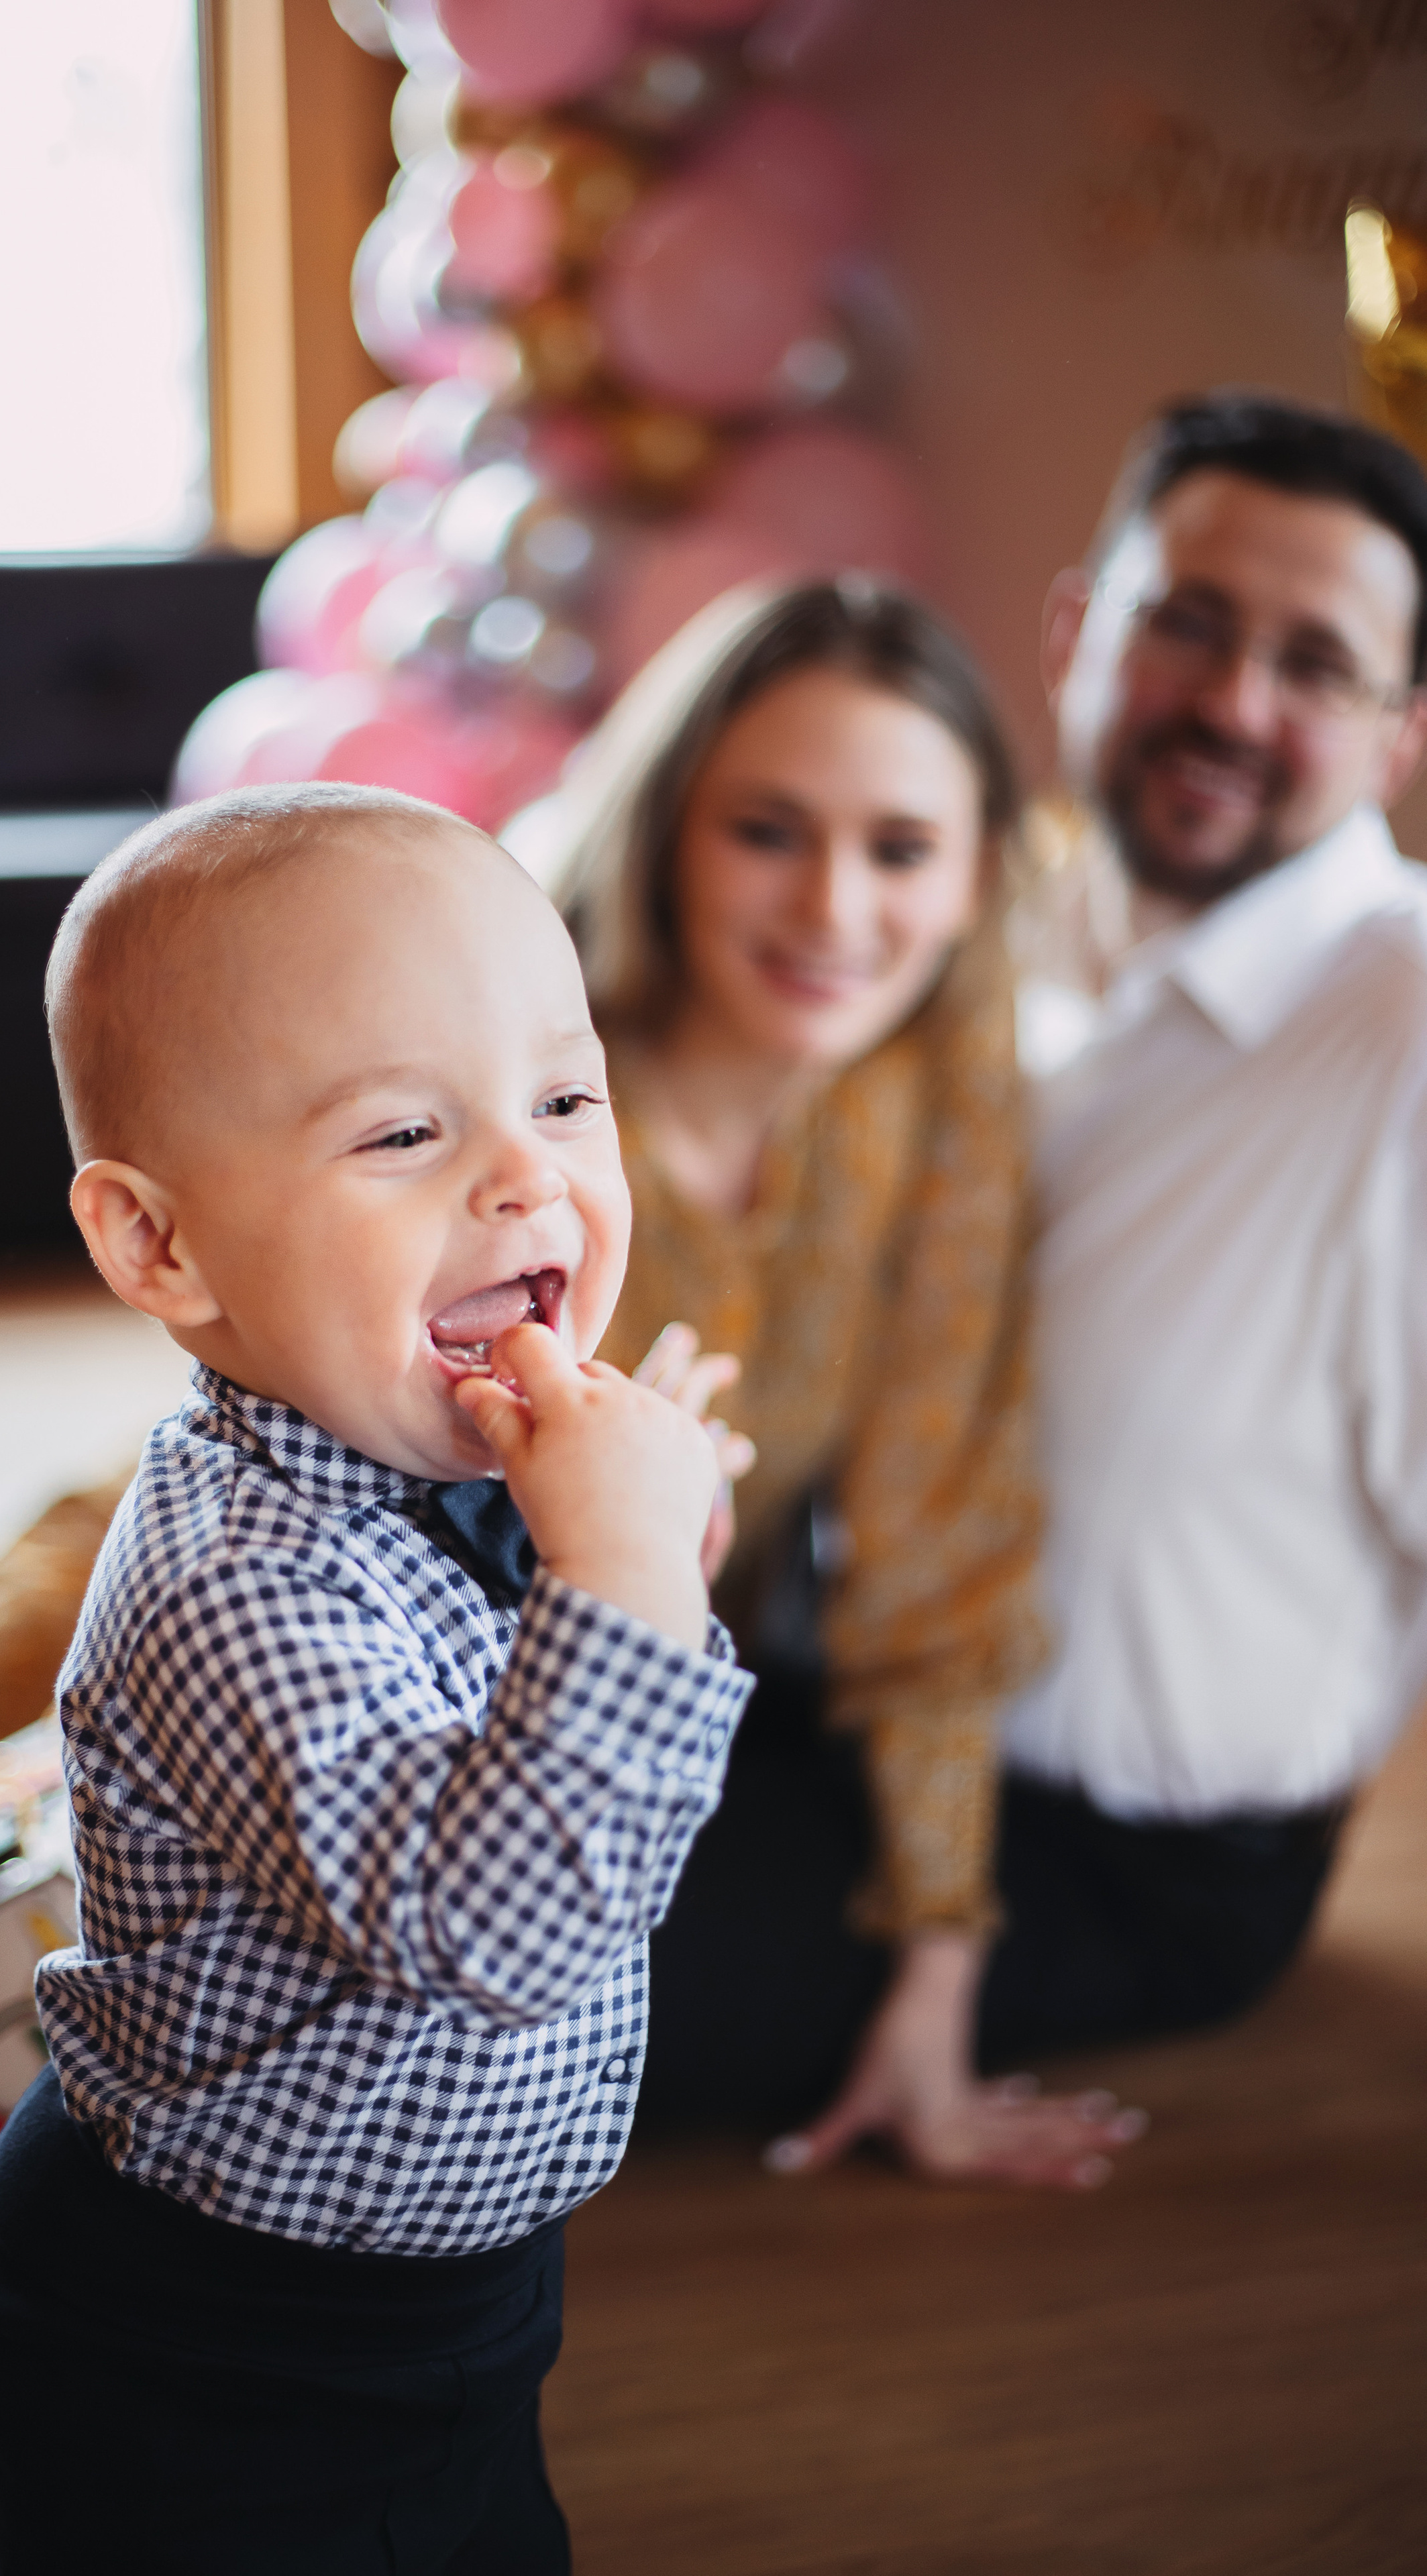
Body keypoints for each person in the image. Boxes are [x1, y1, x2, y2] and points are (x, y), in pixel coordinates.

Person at [0, 783, 754, 2574]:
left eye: (563, 1099)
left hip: (446, 2297)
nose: (526, 1177)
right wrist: (618, 1583)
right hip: (210, 2346)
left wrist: (629, 1564)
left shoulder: (447, 1463)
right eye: (404, 1132)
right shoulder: (236, 1582)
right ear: (161, 1245)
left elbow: (551, 1760)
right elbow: (496, 1930)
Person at [789, 391, 1427, 2172]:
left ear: (1399, 739)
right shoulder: (990, 928)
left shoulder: (1406, 1035)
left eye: (1318, 665)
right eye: (1191, 623)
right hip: (854, 1714)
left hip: (1121, 1866)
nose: (1233, 702)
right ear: (1080, 633)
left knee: (466, 1973)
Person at [540, 578, 1143, 2189]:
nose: (832, 908)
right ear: (668, 823)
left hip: (629, 1736)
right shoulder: (520, 1074)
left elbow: (941, 1533)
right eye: (768, 829)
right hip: (311, 1668)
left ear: (970, 885)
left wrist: (937, 1983)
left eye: (898, 848)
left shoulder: (932, 1089)